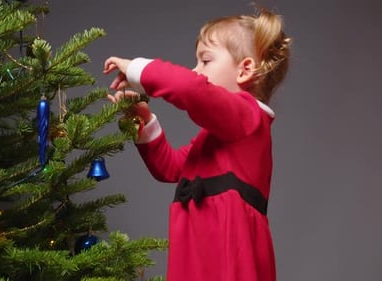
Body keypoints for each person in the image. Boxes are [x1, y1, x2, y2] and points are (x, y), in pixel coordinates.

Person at [103, 7, 291, 281]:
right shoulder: (218, 136)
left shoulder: (248, 118)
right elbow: (169, 168)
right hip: (197, 258)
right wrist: (146, 121)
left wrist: (136, 69)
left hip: (228, 258)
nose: (195, 70)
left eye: (205, 61)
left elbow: (190, 88)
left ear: (245, 70)